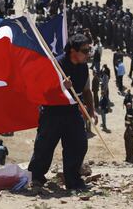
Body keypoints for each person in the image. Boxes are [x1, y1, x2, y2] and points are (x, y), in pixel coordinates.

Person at [28, 34, 97, 191]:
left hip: (72, 110)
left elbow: (86, 90)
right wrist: (61, 87)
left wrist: (91, 111)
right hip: (52, 111)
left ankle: (73, 180)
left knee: (79, 144)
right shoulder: (56, 65)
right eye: (85, 51)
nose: (88, 54)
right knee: (45, 145)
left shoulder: (83, 66)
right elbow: (43, 90)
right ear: (73, 51)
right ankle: (36, 177)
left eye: (89, 50)